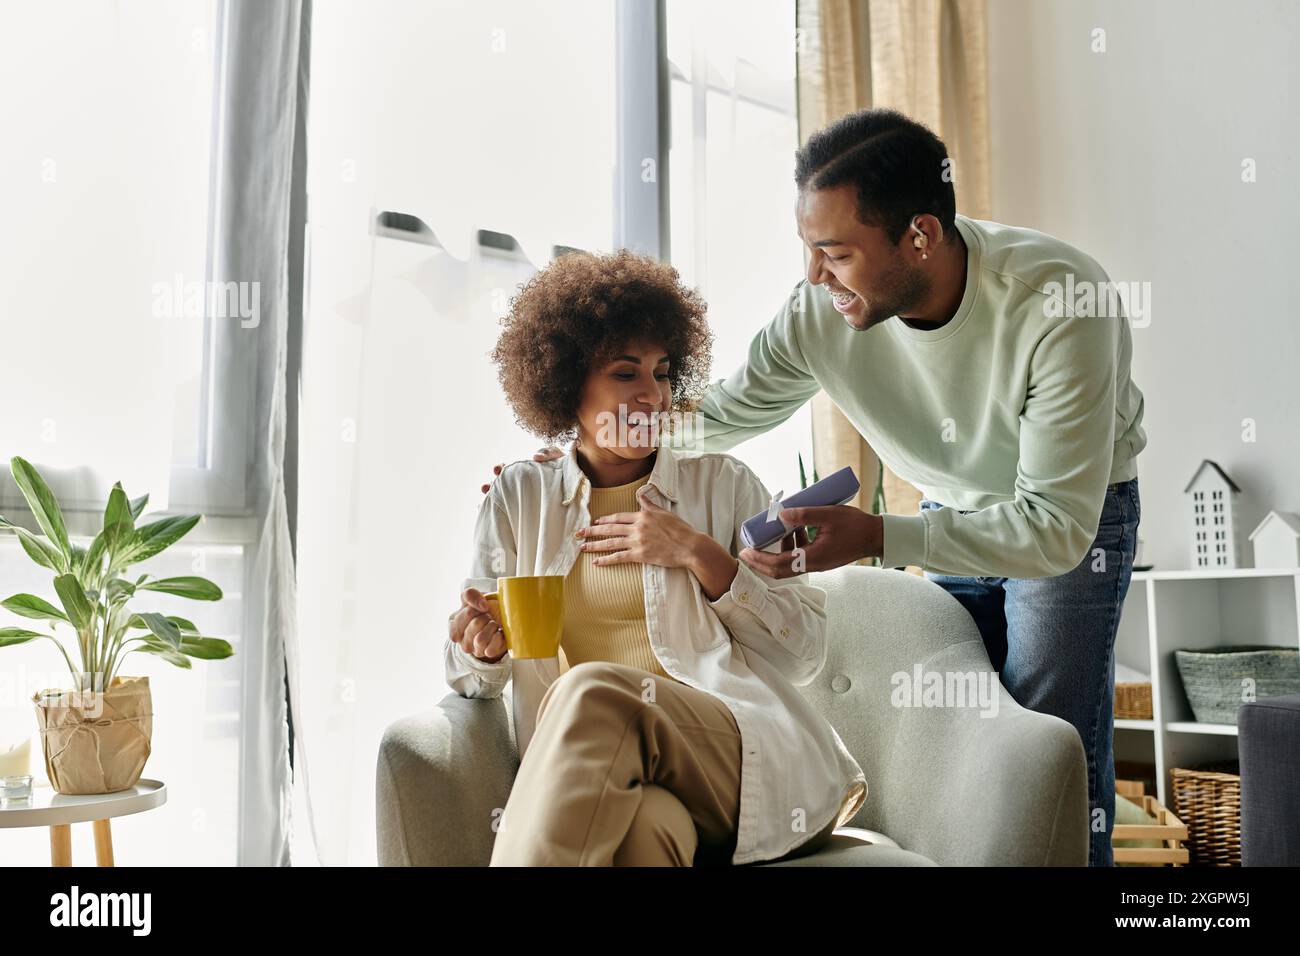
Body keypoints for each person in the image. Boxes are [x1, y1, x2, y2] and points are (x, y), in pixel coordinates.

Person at [489, 108, 1146, 867]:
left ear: (921, 236)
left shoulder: (1058, 299)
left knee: (1050, 737)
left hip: (1069, 516)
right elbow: (719, 415)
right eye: (808, 249)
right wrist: (570, 451)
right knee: (965, 736)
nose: (813, 276)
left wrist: (876, 535)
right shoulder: (818, 314)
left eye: (834, 253)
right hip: (947, 509)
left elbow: (1055, 524)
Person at [448, 249, 866, 866]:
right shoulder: (521, 496)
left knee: (591, 691)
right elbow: (469, 679)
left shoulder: (723, 487)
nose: (653, 394)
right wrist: (479, 648)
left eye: (663, 372)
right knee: (646, 831)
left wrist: (701, 555)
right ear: (566, 385)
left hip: (736, 753)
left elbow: (804, 653)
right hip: (609, 771)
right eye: (625, 374)